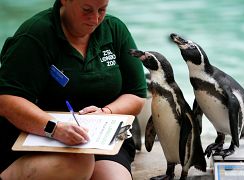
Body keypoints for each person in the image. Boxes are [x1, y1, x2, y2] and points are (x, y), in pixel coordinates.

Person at [0, 0, 147, 179]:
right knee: (77, 165)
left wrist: (106, 112)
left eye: (102, 9)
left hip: (101, 138)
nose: (95, 19)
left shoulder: (115, 29)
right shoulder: (35, 34)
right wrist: (54, 128)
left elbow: (137, 95)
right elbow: (6, 99)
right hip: (37, 137)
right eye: (87, 10)